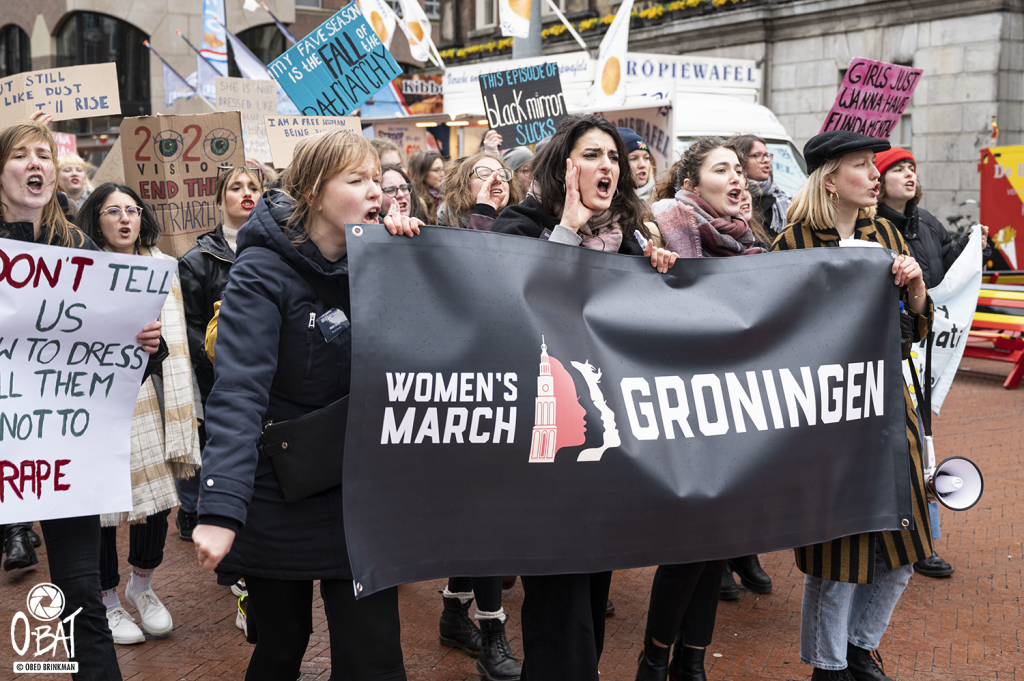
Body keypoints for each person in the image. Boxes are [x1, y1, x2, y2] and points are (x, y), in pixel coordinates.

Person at [191, 129, 421, 681]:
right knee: (282, 642)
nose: (376, 193)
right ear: (315, 192)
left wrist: (416, 256)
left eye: (378, 180)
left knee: (374, 654)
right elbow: (240, 390)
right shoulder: (260, 272)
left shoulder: (384, 256)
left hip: (359, 488)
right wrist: (221, 508)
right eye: (357, 180)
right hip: (280, 488)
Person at [491, 115, 678, 681]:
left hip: (601, 446)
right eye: (592, 155)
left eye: (614, 158)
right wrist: (568, 231)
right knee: (558, 606)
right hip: (545, 447)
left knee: (591, 603)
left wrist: (657, 276)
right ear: (563, 166)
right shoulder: (518, 226)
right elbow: (516, 305)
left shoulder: (631, 238)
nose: (607, 166)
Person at [0, 117, 163, 680]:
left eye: (42, 153)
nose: (35, 163)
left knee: (80, 598)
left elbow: (113, 366)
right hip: (7, 447)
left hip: (61, 455)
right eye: (20, 154)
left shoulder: (78, 247)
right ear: (2, 170)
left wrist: (142, 345)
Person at [772, 131, 934, 681]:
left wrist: (914, 290)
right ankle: (830, 665)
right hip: (825, 418)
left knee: (909, 540)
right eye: (861, 166)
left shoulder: (886, 231)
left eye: (873, 165)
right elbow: (769, 334)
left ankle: (861, 646)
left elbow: (917, 326)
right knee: (837, 553)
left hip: (888, 407)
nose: (873, 174)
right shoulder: (792, 243)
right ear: (830, 178)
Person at [638, 137, 761, 681]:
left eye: (740, 169)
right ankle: (654, 658)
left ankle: (692, 660)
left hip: (733, 406)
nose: (738, 178)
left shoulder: (744, 237)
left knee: (720, 542)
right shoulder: (666, 223)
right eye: (723, 169)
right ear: (692, 181)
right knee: (690, 544)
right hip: (681, 406)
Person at [77, 182, 202, 645]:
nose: (125, 219)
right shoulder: (81, 269)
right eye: (113, 211)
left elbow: (177, 342)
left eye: (133, 210)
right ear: (96, 219)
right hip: (103, 403)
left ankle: (142, 587)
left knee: (155, 504)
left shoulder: (162, 269)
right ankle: (109, 600)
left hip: (155, 395)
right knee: (108, 507)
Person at [874, 146, 990, 580]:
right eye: (897, 168)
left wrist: (973, 245)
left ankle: (923, 538)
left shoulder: (925, 222)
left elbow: (948, 261)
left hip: (923, 347)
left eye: (912, 168)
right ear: (879, 180)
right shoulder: (876, 227)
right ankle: (903, 537)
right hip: (896, 350)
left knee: (922, 442)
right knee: (901, 444)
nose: (908, 174)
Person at [177, 164, 263, 542]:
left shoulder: (276, 250)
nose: (246, 193)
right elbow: (190, 324)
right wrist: (218, 354)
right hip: (218, 379)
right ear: (219, 200)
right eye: (235, 187)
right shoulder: (196, 261)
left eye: (254, 187)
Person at [437, 152, 521, 233]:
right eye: (484, 175)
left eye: (502, 175)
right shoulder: (446, 219)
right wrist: (483, 213)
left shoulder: (521, 221)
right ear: (464, 185)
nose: (498, 179)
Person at [729, 134, 790, 235]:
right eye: (757, 155)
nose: (766, 160)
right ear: (741, 159)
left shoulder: (778, 195)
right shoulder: (734, 200)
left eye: (766, 155)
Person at [618, 128, 655, 202]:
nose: (642, 165)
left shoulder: (660, 201)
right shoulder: (607, 205)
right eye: (633, 159)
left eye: (646, 158)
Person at [409, 150, 445, 223]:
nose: (442, 174)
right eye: (436, 170)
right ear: (423, 174)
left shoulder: (443, 196)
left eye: (443, 169)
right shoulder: (417, 201)